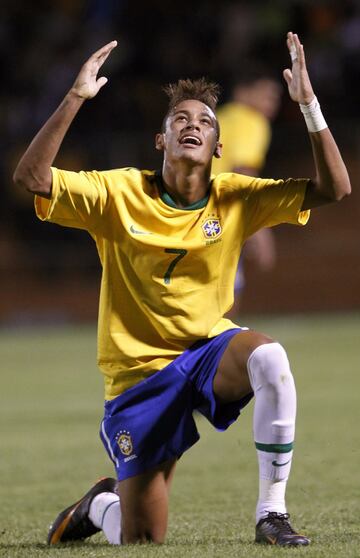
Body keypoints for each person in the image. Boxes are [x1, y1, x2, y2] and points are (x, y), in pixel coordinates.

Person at [13, 32, 350, 547]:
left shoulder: (236, 197)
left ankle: (271, 514)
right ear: (161, 141)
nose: (193, 125)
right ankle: (100, 504)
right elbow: (32, 177)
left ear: (218, 148)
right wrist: (74, 96)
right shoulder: (116, 192)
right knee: (141, 537)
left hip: (205, 354)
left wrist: (309, 107)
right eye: (180, 120)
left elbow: (335, 188)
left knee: (270, 359)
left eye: (205, 123)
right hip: (139, 378)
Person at [212, 71, 282, 317]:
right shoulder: (252, 121)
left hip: (188, 207)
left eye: (274, 98)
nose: (270, 104)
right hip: (219, 212)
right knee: (227, 296)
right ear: (243, 93)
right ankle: (216, 353)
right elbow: (242, 172)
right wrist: (259, 226)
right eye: (265, 95)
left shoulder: (219, 118)